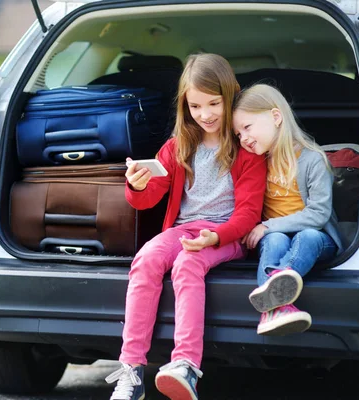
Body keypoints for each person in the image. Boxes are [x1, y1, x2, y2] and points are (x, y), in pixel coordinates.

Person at [105, 53, 267, 400]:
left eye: (214, 103)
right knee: (146, 260)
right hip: (183, 230)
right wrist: (135, 184)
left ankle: (186, 366)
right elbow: (147, 199)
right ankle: (131, 369)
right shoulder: (178, 147)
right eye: (195, 106)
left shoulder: (247, 149)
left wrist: (217, 236)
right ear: (184, 106)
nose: (205, 114)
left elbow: (249, 214)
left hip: (227, 233)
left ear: (231, 96)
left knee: (188, 264)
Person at [232, 84, 344, 336]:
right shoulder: (256, 164)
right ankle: (277, 310)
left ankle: (277, 282)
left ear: (276, 117)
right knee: (274, 241)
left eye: (247, 127)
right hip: (278, 238)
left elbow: (318, 214)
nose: (244, 138)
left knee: (307, 236)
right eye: (238, 134)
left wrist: (267, 225)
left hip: (317, 238)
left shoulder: (313, 159)